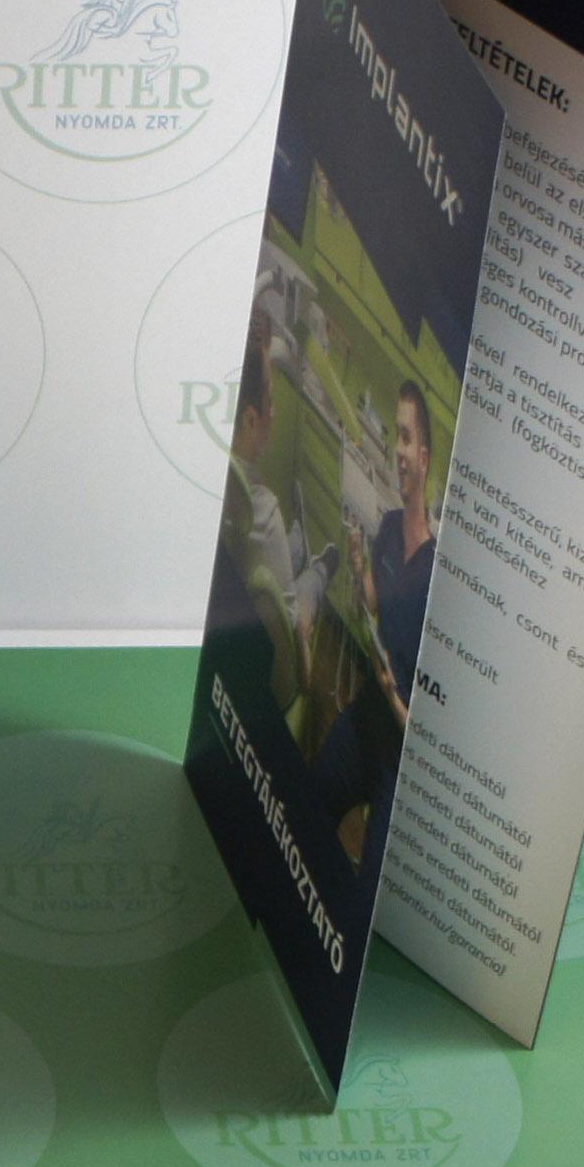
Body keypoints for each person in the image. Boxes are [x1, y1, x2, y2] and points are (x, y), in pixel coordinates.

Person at [314, 379, 435, 875]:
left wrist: (394, 697)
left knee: (371, 895)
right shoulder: (387, 528)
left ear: (424, 458)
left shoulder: (438, 572)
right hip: (364, 719)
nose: (397, 451)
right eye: (394, 438)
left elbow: (427, 722)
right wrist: (360, 564)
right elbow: (373, 603)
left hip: (397, 758)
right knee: (306, 809)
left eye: (405, 438)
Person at [223, 307, 338, 705]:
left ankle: (300, 539)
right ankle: (325, 563)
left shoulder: (233, 493)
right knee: (308, 586)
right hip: (281, 670)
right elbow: (296, 649)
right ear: (250, 419)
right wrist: (305, 635)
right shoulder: (264, 509)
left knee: (291, 546)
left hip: (243, 573)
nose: (275, 411)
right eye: (270, 400)